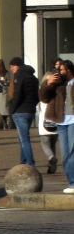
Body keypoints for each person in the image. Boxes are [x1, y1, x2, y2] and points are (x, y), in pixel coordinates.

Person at [38, 61, 74, 194]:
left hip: (73, 121)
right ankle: (71, 182)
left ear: (69, 69)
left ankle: (73, 183)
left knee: (72, 152)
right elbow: (43, 98)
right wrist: (48, 83)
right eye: (60, 70)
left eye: (64, 70)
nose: (61, 72)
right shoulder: (57, 83)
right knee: (65, 154)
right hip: (61, 121)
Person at [8, 57, 40, 168]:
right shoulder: (33, 78)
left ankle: (30, 163)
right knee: (23, 138)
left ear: (17, 66)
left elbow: (17, 95)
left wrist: (12, 109)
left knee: (24, 139)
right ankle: (23, 162)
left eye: (12, 66)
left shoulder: (19, 77)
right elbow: (37, 96)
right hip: (30, 111)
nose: (11, 68)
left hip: (20, 111)